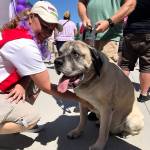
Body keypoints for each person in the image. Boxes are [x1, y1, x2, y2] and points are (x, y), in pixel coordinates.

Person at [0, 1, 91, 134]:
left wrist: (22, 85)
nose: (48, 32)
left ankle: (16, 116)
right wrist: (81, 99)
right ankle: (21, 121)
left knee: (35, 83)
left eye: (51, 29)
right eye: (44, 26)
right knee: (31, 118)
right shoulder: (26, 45)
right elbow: (48, 87)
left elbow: (31, 73)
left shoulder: (20, 33)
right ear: (31, 17)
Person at [78, 0, 136, 120]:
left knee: (105, 80)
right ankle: (96, 107)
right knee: (87, 74)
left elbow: (130, 3)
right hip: (90, 36)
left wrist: (110, 22)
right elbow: (81, 2)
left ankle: (105, 111)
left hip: (109, 36)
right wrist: (84, 17)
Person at [119, 0, 150, 102]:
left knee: (125, 64)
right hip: (148, 32)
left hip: (130, 32)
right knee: (146, 65)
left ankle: (120, 93)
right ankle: (143, 94)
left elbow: (124, 11)